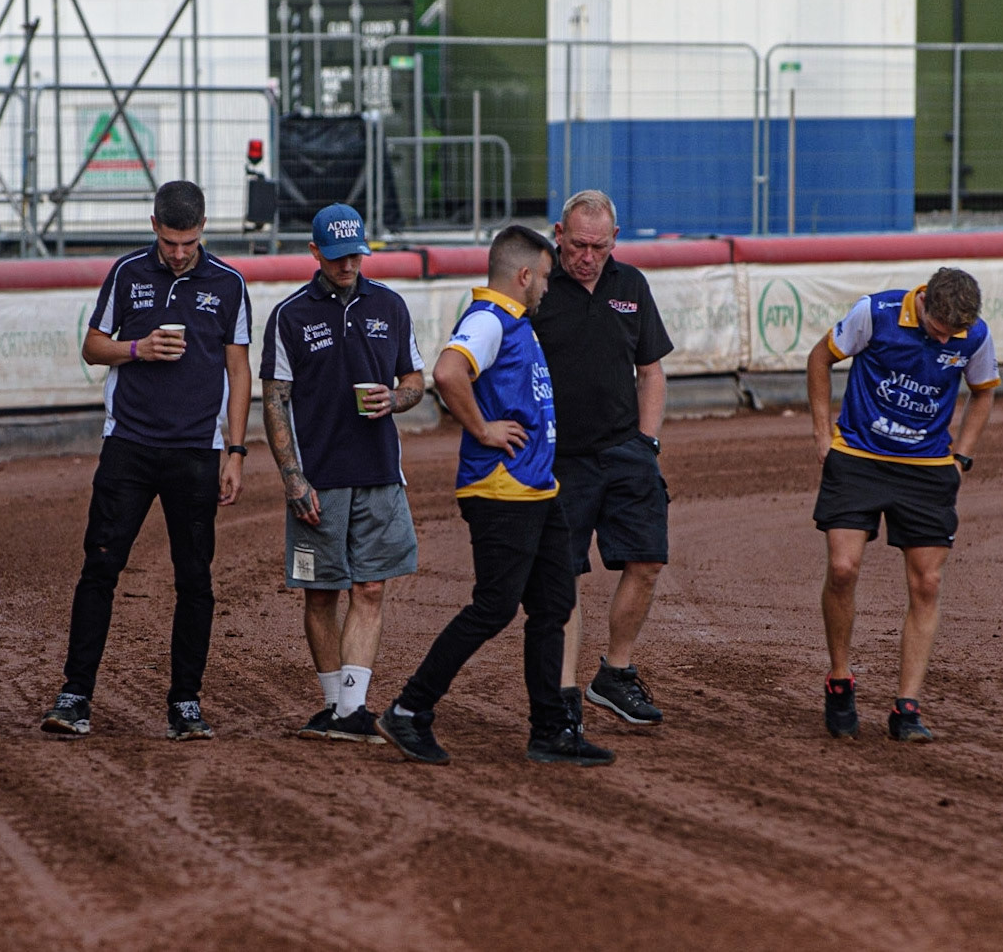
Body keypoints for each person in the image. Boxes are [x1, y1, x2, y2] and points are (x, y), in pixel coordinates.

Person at [376, 225, 613, 767]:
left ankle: (550, 730)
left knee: (553, 605)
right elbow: (446, 372)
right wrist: (483, 429)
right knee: (494, 607)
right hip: (502, 489)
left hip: (534, 488)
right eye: (546, 278)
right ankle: (410, 710)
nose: (548, 289)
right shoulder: (488, 320)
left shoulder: (512, 323)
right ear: (524, 275)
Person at [39, 180, 251, 740]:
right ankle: (75, 694)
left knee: (195, 579)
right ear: (153, 224)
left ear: (204, 228)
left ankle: (185, 703)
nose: (179, 252)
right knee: (100, 567)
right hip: (128, 444)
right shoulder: (128, 272)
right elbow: (91, 346)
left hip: (197, 452)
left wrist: (235, 451)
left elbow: (238, 369)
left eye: (189, 241)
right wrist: (138, 348)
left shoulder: (229, 283)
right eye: (170, 239)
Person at [807, 267, 998, 742]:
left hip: (928, 468)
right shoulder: (876, 312)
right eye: (938, 330)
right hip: (857, 457)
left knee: (928, 582)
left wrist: (963, 456)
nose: (945, 339)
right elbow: (819, 358)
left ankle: (906, 707)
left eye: (953, 334)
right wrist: (820, 433)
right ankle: (839, 678)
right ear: (925, 304)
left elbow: (984, 392)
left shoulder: (974, 335)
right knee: (844, 568)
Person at [261, 204, 425, 742]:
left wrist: (396, 399)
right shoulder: (290, 315)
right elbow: (275, 401)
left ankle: (352, 709)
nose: (348, 264)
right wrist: (292, 478)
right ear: (315, 253)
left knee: (371, 589)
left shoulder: (391, 306)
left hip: (380, 472)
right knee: (320, 594)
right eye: (337, 257)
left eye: (355, 254)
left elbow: (415, 379)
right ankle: (336, 707)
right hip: (319, 479)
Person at [531, 190, 673, 730]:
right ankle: (564, 697)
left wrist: (647, 441)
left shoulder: (631, 285)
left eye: (600, 246)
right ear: (559, 234)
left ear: (615, 241)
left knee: (647, 560)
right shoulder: (537, 285)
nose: (588, 257)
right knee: (562, 575)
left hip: (625, 450)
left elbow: (651, 370)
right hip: (558, 458)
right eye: (579, 244)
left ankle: (614, 673)